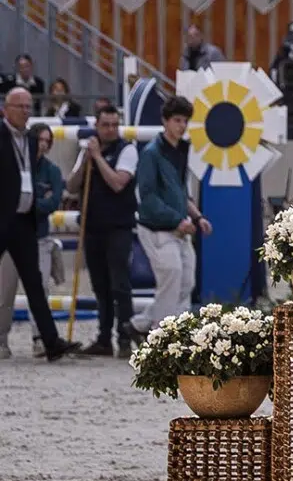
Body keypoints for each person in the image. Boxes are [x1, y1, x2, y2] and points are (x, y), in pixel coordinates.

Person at [0, 89, 75, 360]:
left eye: (29, 106)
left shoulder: (31, 140)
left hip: (24, 221)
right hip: (2, 217)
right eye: (19, 106)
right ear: (5, 108)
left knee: (35, 283)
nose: (25, 111)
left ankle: (51, 342)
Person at [132, 97, 211, 333]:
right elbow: (148, 197)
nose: (182, 126)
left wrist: (197, 217)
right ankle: (162, 335)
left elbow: (180, 192)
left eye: (185, 121)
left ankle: (140, 324)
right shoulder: (151, 154)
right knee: (172, 277)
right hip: (157, 228)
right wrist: (179, 220)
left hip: (179, 227)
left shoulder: (180, 151)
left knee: (186, 281)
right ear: (165, 121)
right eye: (177, 120)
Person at [67, 105, 141, 356]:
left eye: (114, 124)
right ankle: (103, 339)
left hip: (118, 227)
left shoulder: (127, 149)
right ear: (96, 125)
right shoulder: (88, 149)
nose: (110, 129)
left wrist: (98, 158)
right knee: (100, 285)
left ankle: (124, 337)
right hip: (93, 227)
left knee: (120, 284)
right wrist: (85, 161)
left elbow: (118, 183)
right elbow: (72, 185)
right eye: (105, 124)